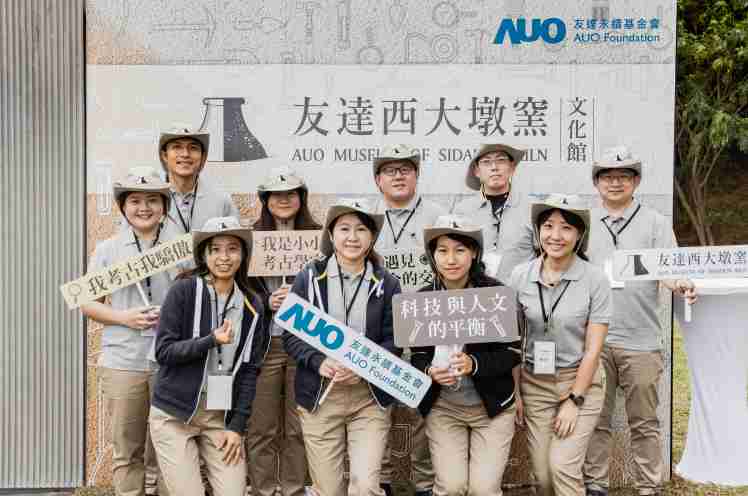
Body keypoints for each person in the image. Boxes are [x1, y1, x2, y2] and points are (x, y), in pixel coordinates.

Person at [583, 147, 697, 496]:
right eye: (607, 176)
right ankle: (595, 484)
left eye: (623, 176)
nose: (615, 182)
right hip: (594, 341)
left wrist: (682, 284)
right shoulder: (583, 222)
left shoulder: (655, 223)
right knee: (596, 419)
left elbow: (670, 269)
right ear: (597, 183)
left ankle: (648, 485)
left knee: (645, 421)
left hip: (642, 340)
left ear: (636, 181)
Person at [283, 199, 402, 496]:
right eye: (344, 229)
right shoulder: (310, 277)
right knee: (328, 489)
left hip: (369, 398)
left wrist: (363, 368)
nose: (352, 237)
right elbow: (291, 336)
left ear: (372, 237)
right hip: (321, 395)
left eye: (361, 229)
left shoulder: (387, 283)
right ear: (331, 234)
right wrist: (318, 361)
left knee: (365, 486)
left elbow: (395, 341)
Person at [148, 216, 269, 496]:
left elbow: (250, 370)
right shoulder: (184, 289)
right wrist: (210, 340)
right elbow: (164, 351)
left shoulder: (252, 305)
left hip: (219, 416)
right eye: (215, 249)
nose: (224, 257)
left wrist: (237, 427)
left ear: (243, 255)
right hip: (174, 414)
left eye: (232, 249)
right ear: (204, 254)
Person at [508, 194, 612, 496]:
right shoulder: (520, 276)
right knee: (543, 477)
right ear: (538, 231)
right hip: (534, 383)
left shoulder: (595, 279)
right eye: (548, 226)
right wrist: (516, 393)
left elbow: (593, 349)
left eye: (566, 227)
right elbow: (512, 342)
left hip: (580, 383)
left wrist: (574, 401)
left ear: (579, 235)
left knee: (563, 467)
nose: (556, 235)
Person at [410, 215, 522, 496]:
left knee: (484, 489)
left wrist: (475, 363)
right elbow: (417, 355)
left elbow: (512, 352)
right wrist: (429, 371)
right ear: (433, 255)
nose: (451, 259)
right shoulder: (423, 298)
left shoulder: (495, 294)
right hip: (444, 408)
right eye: (442, 250)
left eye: (460, 250)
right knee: (451, 486)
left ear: (473, 253)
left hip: (492, 408)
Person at [81, 166, 174, 496]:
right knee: (126, 449)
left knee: (170, 448)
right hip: (124, 361)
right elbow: (87, 303)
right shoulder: (108, 250)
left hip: (171, 361)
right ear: (123, 206)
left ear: (164, 206)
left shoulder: (181, 249)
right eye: (135, 201)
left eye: (153, 200)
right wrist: (124, 318)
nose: (144, 208)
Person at [373, 144, 444, 496]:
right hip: (379, 327)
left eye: (405, 169)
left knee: (424, 408)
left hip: (425, 326)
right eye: (390, 170)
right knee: (377, 406)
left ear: (417, 175)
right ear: (378, 180)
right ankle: (382, 480)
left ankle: (425, 484)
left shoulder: (437, 216)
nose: (398, 176)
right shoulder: (365, 217)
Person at [246, 166, 320, 496]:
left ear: (301, 197)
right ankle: (262, 489)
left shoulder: (320, 237)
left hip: (305, 343)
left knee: (298, 425)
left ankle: (293, 488)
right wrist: (266, 301)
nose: (284, 199)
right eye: (276, 194)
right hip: (265, 343)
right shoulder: (249, 238)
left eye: (291, 193)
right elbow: (237, 289)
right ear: (265, 200)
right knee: (261, 425)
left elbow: (330, 291)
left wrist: (302, 299)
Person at [452, 144, 534, 283]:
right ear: (477, 171)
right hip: (476, 292)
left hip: (520, 293)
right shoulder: (462, 211)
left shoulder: (531, 208)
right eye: (486, 162)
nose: (494, 167)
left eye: (501, 160)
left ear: (512, 167)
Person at [158, 127, 239, 244]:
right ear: (165, 156)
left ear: (203, 157)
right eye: (177, 147)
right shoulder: (149, 198)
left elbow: (236, 245)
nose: (185, 154)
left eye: (193, 148)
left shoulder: (221, 200)